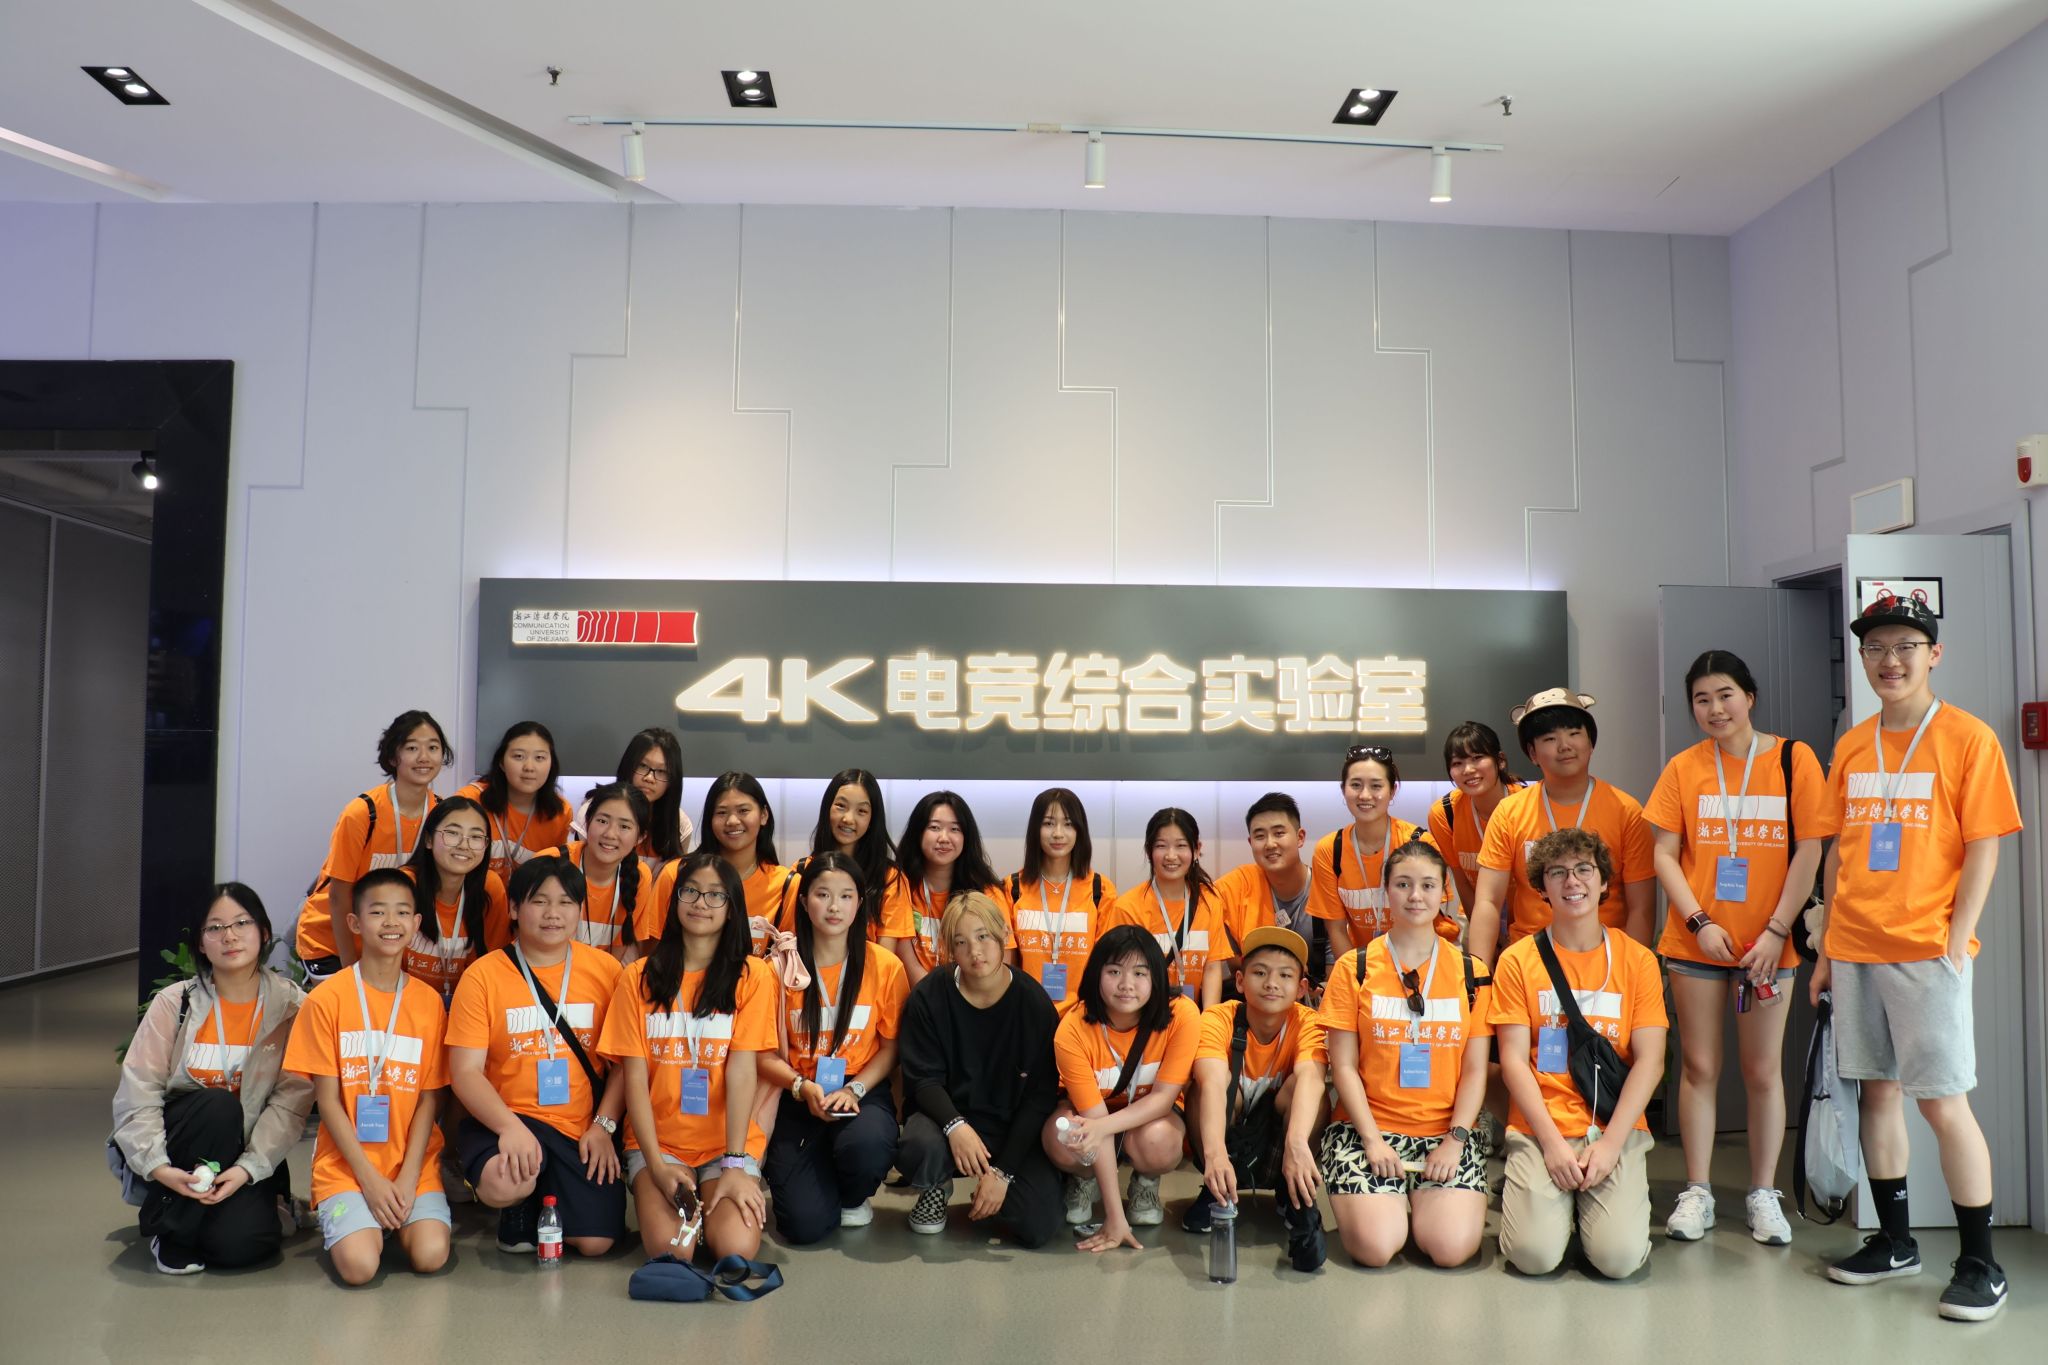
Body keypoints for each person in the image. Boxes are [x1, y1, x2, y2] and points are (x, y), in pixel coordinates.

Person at [1810, 595, 2022, 1321]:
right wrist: (1826, 945)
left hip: (1927, 949)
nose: (1889, 660)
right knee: (1877, 1094)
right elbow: (1839, 852)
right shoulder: (1851, 743)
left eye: (1905, 646)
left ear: (1934, 654)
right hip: (1854, 946)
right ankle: (1896, 1241)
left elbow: (1984, 845)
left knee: (1942, 1102)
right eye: (1875, 648)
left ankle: (1981, 1262)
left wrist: (1958, 937)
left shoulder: (1967, 738)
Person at [1647, 649, 1827, 1246]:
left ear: (1749, 696)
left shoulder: (1794, 760)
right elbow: (1664, 855)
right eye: (1702, 699)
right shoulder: (1683, 768)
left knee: (1762, 1071)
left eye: (1725, 694)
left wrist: (1776, 931)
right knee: (1699, 1068)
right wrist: (1698, 921)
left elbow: (1810, 850)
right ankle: (1697, 1191)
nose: (1715, 708)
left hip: (1769, 948)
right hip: (1696, 942)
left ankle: (1762, 1194)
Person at [1491, 829, 1666, 1279]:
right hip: (1541, 1124)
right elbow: (1513, 1060)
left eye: (1584, 869)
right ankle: (1556, 1208)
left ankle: (1589, 1212)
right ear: (1542, 887)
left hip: (1611, 1123)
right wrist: (1550, 1144)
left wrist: (1610, 1145)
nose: (1572, 881)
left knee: (1618, 1260)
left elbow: (1650, 1060)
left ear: (1604, 881)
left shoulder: (1637, 960)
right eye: (1558, 872)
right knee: (1532, 1257)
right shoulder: (1517, 960)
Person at [113, 884, 314, 1274]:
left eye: (241, 923)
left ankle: (252, 1207)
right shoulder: (177, 1003)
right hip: (180, 1144)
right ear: (201, 944)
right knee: (219, 1105)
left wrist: (248, 1169)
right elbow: (139, 1090)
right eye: (215, 928)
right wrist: (158, 1166)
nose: (230, 936)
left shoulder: (292, 1009)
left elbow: (290, 1104)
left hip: (244, 1150)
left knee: (244, 1248)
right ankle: (170, 1229)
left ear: (264, 933)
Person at [1318, 841, 1493, 1269]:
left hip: (1446, 1134)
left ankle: (1420, 1206)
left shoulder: (1472, 972)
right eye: (1403, 884)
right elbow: (1343, 1066)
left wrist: (1455, 1141)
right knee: (1376, 1247)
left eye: (1428, 885)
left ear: (1444, 892)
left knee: (1451, 1249)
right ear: (1386, 892)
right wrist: (1372, 1140)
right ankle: (1391, 1207)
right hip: (1367, 1129)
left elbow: (1475, 1071)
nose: (1416, 896)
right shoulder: (1354, 967)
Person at [446, 854, 627, 1258]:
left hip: (579, 1128)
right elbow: (465, 1072)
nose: (553, 913)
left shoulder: (607, 971)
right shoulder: (483, 976)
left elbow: (622, 1066)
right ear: (513, 909)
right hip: (507, 1117)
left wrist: (604, 1127)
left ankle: (547, 1191)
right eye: (539, 901)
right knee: (506, 1181)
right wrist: (509, 1127)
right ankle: (521, 1202)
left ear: (579, 910)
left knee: (596, 1244)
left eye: (565, 902)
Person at [600, 853, 777, 1263]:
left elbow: (742, 1071)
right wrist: (656, 1166)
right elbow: (634, 1079)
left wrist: (734, 1164)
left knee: (735, 1249)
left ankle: (716, 1201)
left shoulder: (753, 976)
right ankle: (673, 1199)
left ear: (732, 908)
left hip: (725, 1146)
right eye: (691, 892)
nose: (701, 903)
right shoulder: (638, 976)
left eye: (716, 895)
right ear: (675, 900)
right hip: (659, 1143)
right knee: (672, 1251)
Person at [283, 868, 452, 1285]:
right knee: (360, 1268)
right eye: (378, 912)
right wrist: (371, 1182)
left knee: (431, 1255)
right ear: (355, 923)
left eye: (402, 912)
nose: (391, 922)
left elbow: (429, 1099)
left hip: (411, 1163)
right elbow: (327, 1102)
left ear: (417, 923)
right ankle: (361, 1219)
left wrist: (408, 1176)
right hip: (348, 1166)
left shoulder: (429, 1003)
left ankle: (385, 1219)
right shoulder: (327, 999)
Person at [756, 852, 909, 1242]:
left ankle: (852, 1195)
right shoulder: (778, 968)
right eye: (823, 895)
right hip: (796, 1093)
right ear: (804, 901)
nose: (834, 907)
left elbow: (891, 1047)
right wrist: (801, 1087)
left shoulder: (885, 966)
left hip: (860, 1089)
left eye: (846, 896)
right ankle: (817, 1179)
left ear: (860, 903)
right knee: (803, 1227)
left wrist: (854, 1089)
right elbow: (761, 1054)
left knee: (866, 1145)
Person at [897, 891, 1063, 1247]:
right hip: (947, 1120)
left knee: (1039, 1225)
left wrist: (1003, 1173)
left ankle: (993, 1190)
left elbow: (1040, 1097)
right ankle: (935, 1187)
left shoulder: (1033, 1004)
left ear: (1004, 934)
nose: (975, 951)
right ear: (949, 949)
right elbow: (922, 1079)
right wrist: (955, 1125)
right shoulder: (929, 996)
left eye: (983, 936)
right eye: (961, 942)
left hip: (1009, 1125)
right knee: (917, 1143)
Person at [1045, 925, 1203, 1250]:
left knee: (1160, 1141)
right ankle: (1084, 1178)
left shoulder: (1182, 1015)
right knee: (1063, 1138)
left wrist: (1102, 1127)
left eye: (1140, 973)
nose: (1126, 985)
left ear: (1156, 978)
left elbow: (1163, 1099)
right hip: (1091, 1112)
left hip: (1150, 1116)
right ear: (1096, 974)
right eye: (1114, 971)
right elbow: (1093, 1118)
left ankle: (1146, 1182)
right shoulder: (1072, 1029)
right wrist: (1114, 1218)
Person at [1469, 690, 1656, 964]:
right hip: (1531, 959)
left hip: (1606, 958)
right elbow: (1488, 901)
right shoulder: (1509, 813)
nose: (1564, 745)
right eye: (1549, 738)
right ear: (1532, 753)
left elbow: (1642, 908)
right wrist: (1479, 975)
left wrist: (1630, 970)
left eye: (1574, 733)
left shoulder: (1625, 810)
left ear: (1591, 743)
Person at [1183, 926, 1329, 1272]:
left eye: (1285, 975)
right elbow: (1211, 1081)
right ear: (1239, 981)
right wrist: (1215, 1155)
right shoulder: (1217, 1018)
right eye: (1260, 973)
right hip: (1227, 1134)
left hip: (1278, 1140)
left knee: (1313, 1094)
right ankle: (1217, 1187)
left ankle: (1292, 1191)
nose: (1271, 983)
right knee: (1205, 1088)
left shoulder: (1309, 1023)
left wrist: (1297, 1145)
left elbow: (1312, 1077)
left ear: (1301, 988)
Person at [295, 709, 449, 978]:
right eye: (412, 748)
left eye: (433, 748)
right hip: (333, 943)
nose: (424, 757)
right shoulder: (364, 813)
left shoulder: (443, 814)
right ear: (393, 757)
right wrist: (350, 968)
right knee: (348, 1005)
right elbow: (338, 895)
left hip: (389, 945)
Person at [1309, 746, 1456, 963]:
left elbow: (1430, 921)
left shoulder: (1419, 843)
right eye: (1356, 785)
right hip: (1361, 965)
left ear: (1392, 790)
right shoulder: (1330, 850)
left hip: (1421, 962)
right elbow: (1336, 929)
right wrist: (1359, 974)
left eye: (1376, 786)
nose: (1365, 795)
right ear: (1343, 789)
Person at [777, 768, 915, 952]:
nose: (848, 819)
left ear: (872, 819)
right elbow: (791, 941)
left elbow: (885, 957)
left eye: (862, 811)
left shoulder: (889, 879)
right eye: (841, 806)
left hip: (866, 971)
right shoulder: (802, 871)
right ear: (827, 808)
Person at [1100, 808, 1226, 1009]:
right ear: (1149, 851)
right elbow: (1118, 973)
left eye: (1181, 845)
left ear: (1196, 850)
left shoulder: (1210, 901)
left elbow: (1212, 967)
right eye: (1161, 846)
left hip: (1193, 1018)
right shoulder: (1128, 907)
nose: (1171, 855)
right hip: (1142, 1015)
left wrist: (1208, 1019)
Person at [652, 771, 790, 954]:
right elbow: (653, 952)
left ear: (764, 815)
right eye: (722, 812)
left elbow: (791, 958)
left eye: (743, 811)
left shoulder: (786, 884)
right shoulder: (677, 873)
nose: (732, 821)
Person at [1004, 787, 1117, 1009]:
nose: (1058, 833)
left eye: (1068, 824)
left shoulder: (1100, 889)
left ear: (1079, 831)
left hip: (1082, 1013)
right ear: (1035, 829)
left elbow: (1107, 961)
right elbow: (1006, 962)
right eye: (1048, 823)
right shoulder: (1012, 887)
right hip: (1025, 1011)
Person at [1211, 793, 1330, 993]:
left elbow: (1335, 972)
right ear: (1250, 842)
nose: (1270, 844)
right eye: (1260, 836)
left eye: (1279, 833)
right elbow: (1238, 968)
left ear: (1300, 837)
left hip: (1315, 1002)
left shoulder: (1325, 889)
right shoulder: (1234, 889)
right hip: (1258, 999)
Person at [397, 796, 510, 1005]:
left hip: (467, 1004)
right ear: (428, 839)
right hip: (403, 1005)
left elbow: (494, 961)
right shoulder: (403, 887)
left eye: (475, 837)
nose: (464, 845)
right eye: (452, 833)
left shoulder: (490, 887)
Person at [896, 790, 1009, 987]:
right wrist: (932, 996)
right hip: (915, 998)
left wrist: (961, 997)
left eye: (955, 829)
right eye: (934, 827)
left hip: (974, 998)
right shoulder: (898, 887)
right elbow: (902, 956)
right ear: (918, 832)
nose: (944, 838)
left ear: (966, 836)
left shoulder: (988, 894)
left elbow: (1003, 960)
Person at [545, 782, 656, 961]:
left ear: (640, 837)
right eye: (602, 821)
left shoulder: (640, 877)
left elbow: (616, 954)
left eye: (624, 826)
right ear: (587, 822)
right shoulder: (550, 862)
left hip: (598, 973)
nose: (610, 834)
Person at [1427, 721, 1525, 921]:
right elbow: (1462, 882)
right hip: (1479, 916)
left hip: (1532, 924)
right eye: (1457, 763)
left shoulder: (1528, 805)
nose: (1468, 769)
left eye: (1477, 758)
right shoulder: (1445, 813)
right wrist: (1486, 931)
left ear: (1500, 760)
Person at [458, 721, 573, 883]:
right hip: (473, 895)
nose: (529, 767)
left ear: (551, 764)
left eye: (539, 758)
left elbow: (554, 874)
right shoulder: (469, 800)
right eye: (519, 756)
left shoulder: (560, 812)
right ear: (501, 762)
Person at [573, 727, 693, 868]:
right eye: (642, 766)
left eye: (661, 771)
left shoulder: (680, 825)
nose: (649, 778)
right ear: (628, 765)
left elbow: (675, 876)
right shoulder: (593, 811)